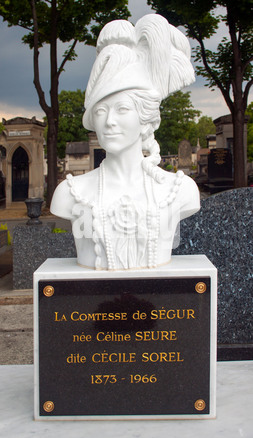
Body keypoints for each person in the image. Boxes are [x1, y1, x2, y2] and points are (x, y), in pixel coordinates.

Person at [50, 14, 200, 270]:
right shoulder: (70, 194)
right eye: (100, 111)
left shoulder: (180, 191)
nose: (108, 122)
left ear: (145, 119)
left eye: (121, 109)